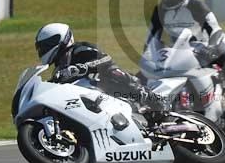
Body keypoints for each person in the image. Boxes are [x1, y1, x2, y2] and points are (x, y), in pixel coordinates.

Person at [35, 22, 164, 122]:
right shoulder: (59, 69)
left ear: (61, 39)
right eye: (42, 47)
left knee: (113, 72)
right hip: (86, 102)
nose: (44, 49)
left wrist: (82, 67)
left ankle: (148, 97)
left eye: (47, 45)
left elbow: (105, 59)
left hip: (104, 88)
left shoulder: (80, 49)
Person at [145, 0, 225, 97]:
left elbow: (215, 30)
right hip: (177, 50)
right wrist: (147, 55)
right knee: (143, 75)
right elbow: (152, 36)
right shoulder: (160, 10)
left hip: (203, 47)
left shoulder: (197, 6)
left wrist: (211, 48)